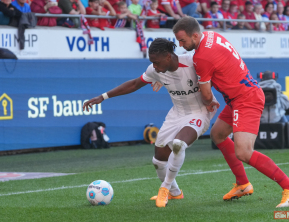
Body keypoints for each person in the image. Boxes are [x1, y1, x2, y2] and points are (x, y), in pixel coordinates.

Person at [173, 16, 289, 208]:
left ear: (194, 35)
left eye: (183, 40)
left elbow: (207, 94)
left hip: (246, 99)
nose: (181, 45)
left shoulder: (201, 57)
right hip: (239, 97)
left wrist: (208, 103)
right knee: (218, 134)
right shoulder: (210, 35)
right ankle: (243, 184)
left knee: (243, 152)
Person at [83, 38, 218, 208]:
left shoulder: (193, 62)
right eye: (151, 62)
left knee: (178, 143)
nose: (154, 66)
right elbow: (134, 84)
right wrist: (102, 97)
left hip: (200, 111)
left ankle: (165, 188)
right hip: (176, 113)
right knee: (158, 161)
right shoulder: (156, 70)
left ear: (168, 56)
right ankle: (176, 193)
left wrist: (215, 98)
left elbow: (217, 75)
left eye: (156, 61)